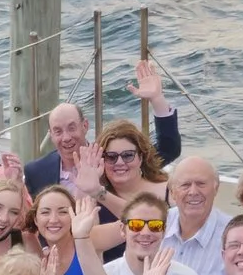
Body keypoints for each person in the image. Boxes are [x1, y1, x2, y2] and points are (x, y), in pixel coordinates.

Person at [23, 59, 182, 192]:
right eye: (58, 131)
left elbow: (169, 149)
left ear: (85, 126)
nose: (66, 137)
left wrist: (157, 99)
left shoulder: (112, 159)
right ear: (50, 135)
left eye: (72, 128)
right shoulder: (35, 172)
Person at [159, 152, 230, 275]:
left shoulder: (232, 236)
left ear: (216, 188)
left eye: (201, 184)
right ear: (173, 192)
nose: (193, 192)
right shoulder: (156, 224)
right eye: (185, 185)